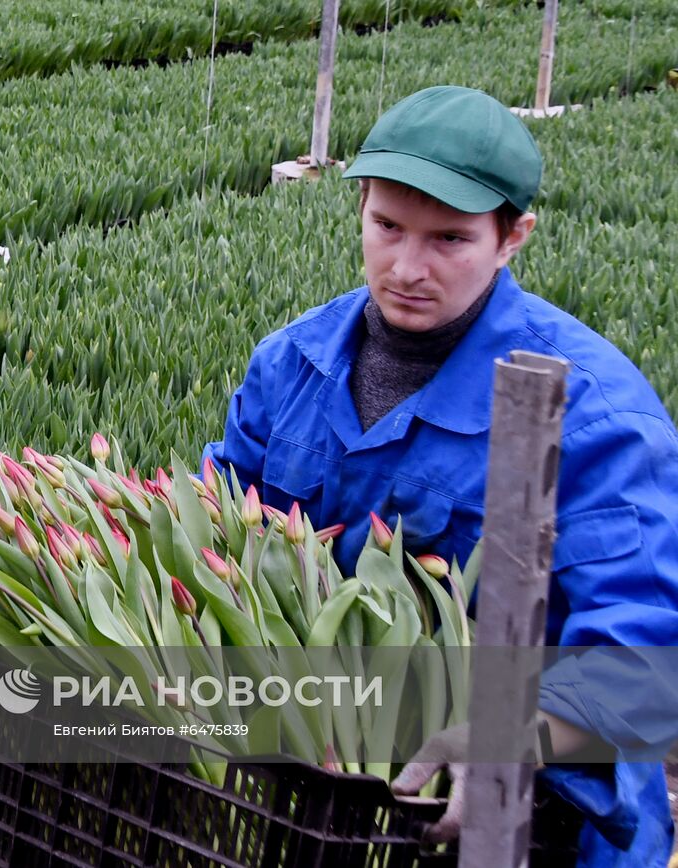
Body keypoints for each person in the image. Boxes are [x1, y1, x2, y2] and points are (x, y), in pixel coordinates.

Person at [199, 85, 678, 866]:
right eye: (387, 227)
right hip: (320, 798)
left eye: (450, 240)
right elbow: (215, 527)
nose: (408, 268)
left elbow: (646, 667)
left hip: (533, 822)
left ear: (512, 236)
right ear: (359, 205)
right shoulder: (292, 364)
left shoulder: (594, 418)